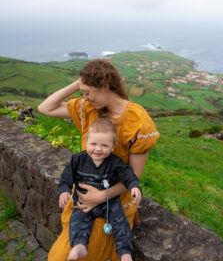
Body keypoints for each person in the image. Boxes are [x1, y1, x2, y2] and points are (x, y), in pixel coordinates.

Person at [38, 59, 159, 261]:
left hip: (114, 204)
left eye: (87, 92)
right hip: (84, 202)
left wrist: (100, 197)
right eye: (82, 92)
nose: (84, 97)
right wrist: (80, 83)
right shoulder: (88, 108)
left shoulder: (138, 121)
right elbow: (45, 108)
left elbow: (133, 175)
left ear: (104, 86)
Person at [58, 118, 141, 261]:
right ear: (86, 142)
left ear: (113, 146)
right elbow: (66, 177)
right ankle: (79, 245)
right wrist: (64, 190)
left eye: (104, 145)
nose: (97, 149)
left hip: (108, 203)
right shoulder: (78, 160)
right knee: (77, 220)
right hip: (84, 202)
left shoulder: (114, 162)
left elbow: (128, 174)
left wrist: (134, 186)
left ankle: (125, 252)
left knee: (120, 221)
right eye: (93, 144)